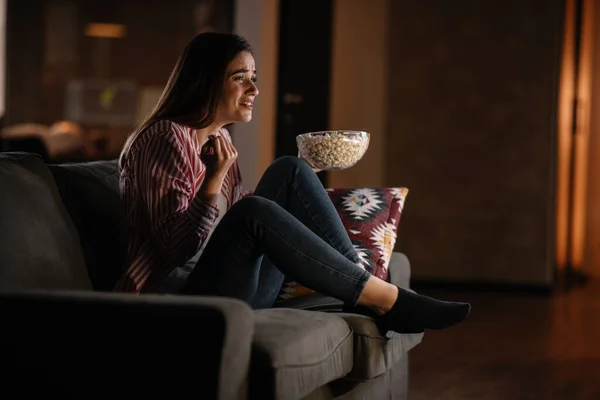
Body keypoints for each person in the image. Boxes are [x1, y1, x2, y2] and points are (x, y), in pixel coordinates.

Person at [115, 32, 470, 333]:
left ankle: (365, 288)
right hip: (179, 302)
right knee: (254, 210)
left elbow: (232, 232)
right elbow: (174, 251)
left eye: (254, 76)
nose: (254, 88)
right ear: (205, 81)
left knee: (290, 170)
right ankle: (385, 299)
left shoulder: (220, 140)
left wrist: (301, 184)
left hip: (232, 287)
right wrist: (213, 181)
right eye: (240, 77)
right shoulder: (165, 137)